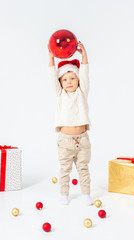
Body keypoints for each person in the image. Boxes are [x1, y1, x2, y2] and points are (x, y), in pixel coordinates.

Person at [48, 41, 93, 205]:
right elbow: (51, 78)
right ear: (60, 82)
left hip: (83, 140)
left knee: (83, 168)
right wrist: (51, 58)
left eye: (73, 78)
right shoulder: (60, 94)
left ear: (78, 79)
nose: (69, 81)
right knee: (65, 169)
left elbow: (86, 74)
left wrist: (85, 56)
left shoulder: (82, 92)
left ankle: (86, 194)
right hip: (65, 141)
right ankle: (63, 194)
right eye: (65, 79)